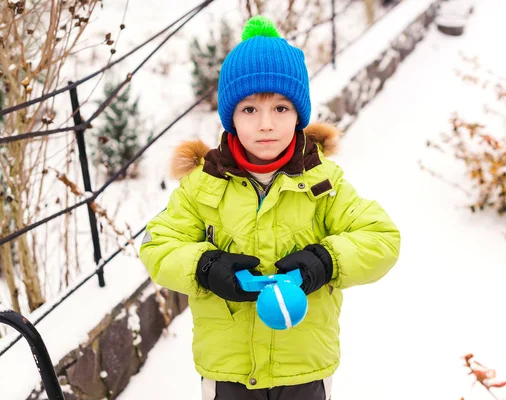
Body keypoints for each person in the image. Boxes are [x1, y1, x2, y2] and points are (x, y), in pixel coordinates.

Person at [140, 15, 400, 400]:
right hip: (228, 370)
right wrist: (205, 266)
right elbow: (158, 245)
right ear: (231, 117)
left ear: (299, 115)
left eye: (281, 108)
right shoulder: (203, 185)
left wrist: (325, 261)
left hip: (304, 367)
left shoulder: (323, 183)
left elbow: (381, 238)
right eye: (249, 110)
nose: (266, 124)